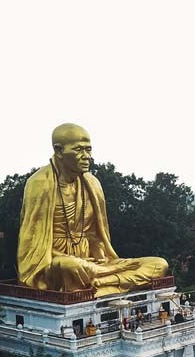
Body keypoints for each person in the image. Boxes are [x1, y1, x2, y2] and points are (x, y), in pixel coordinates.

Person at [17, 123, 168, 296]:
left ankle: (102, 284)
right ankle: (104, 285)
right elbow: (32, 244)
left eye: (88, 150)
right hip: (58, 265)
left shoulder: (92, 183)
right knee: (68, 266)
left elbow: (96, 236)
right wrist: (86, 265)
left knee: (159, 264)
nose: (86, 156)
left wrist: (103, 263)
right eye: (79, 150)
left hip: (95, 265)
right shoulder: (39, 183)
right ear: (58, 151)